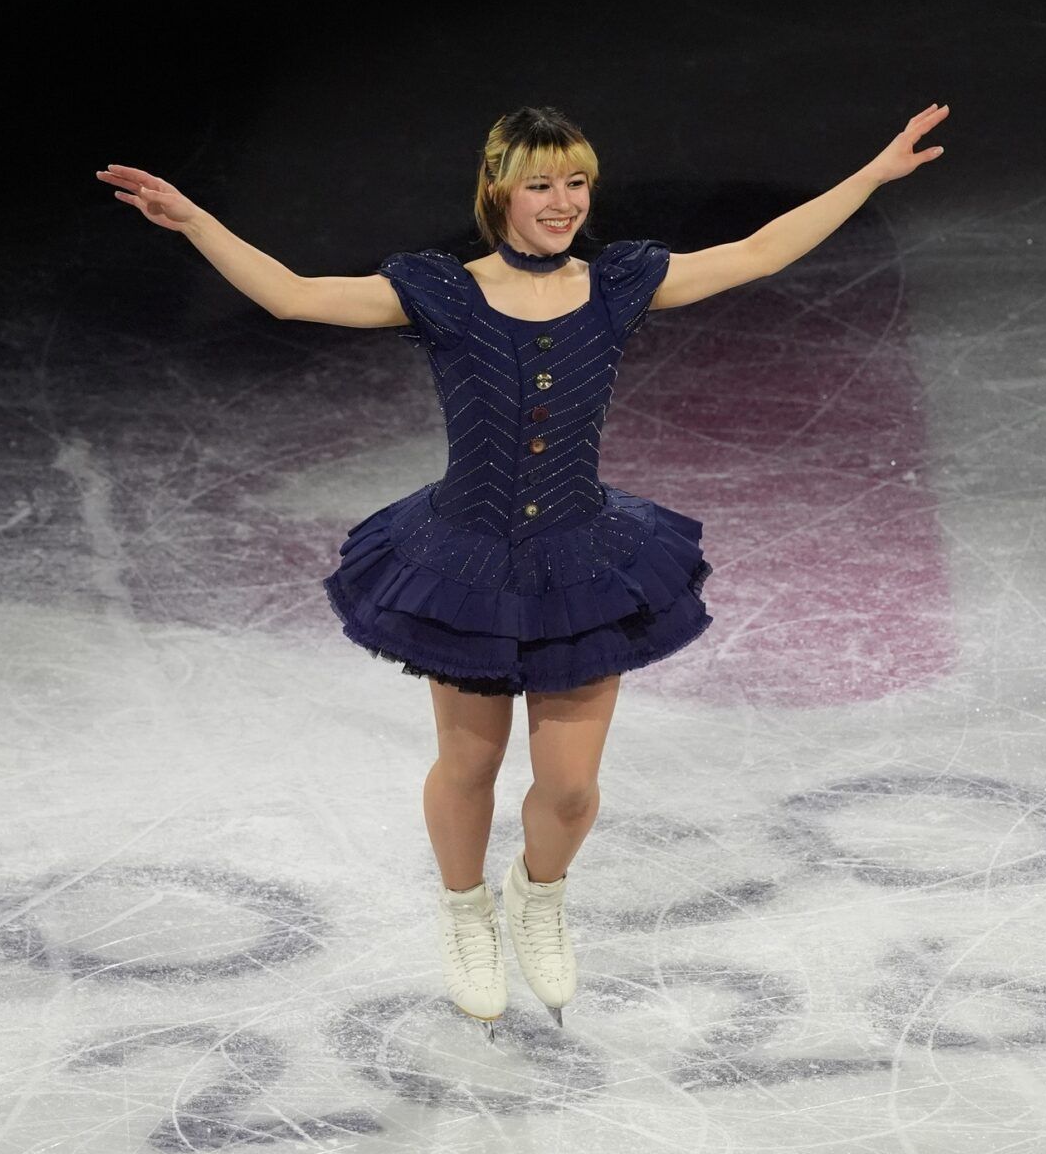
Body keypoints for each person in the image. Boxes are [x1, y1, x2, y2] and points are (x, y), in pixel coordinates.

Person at [95, 102, 948, 1041]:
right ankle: (466, 915)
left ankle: (539, 897)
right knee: (472, 761)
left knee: (572, 788)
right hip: (464, 559)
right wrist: (197, 221)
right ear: (498, 188)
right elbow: (296, 294)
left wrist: (869, 177)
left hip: (583, 559)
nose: (564, 202)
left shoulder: (619, 282)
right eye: (542, 183)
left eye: (577, 182)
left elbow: (753, 252)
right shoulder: (443, 291)